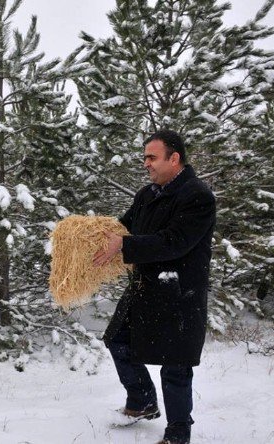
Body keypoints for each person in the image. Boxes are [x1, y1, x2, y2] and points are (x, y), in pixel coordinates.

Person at [93, 129, 216, 444]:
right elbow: (124, 227)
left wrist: (125, 245)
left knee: (175, 365)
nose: (146, 163)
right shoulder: (147, 194)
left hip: (178, 292)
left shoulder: (197, 195)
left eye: (152, 157)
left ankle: (177, 433)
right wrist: (92, 234)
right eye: (145, 157)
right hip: (144, 287)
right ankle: (143, 400)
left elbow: (176, 242)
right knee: (118, 341)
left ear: (174, 158)